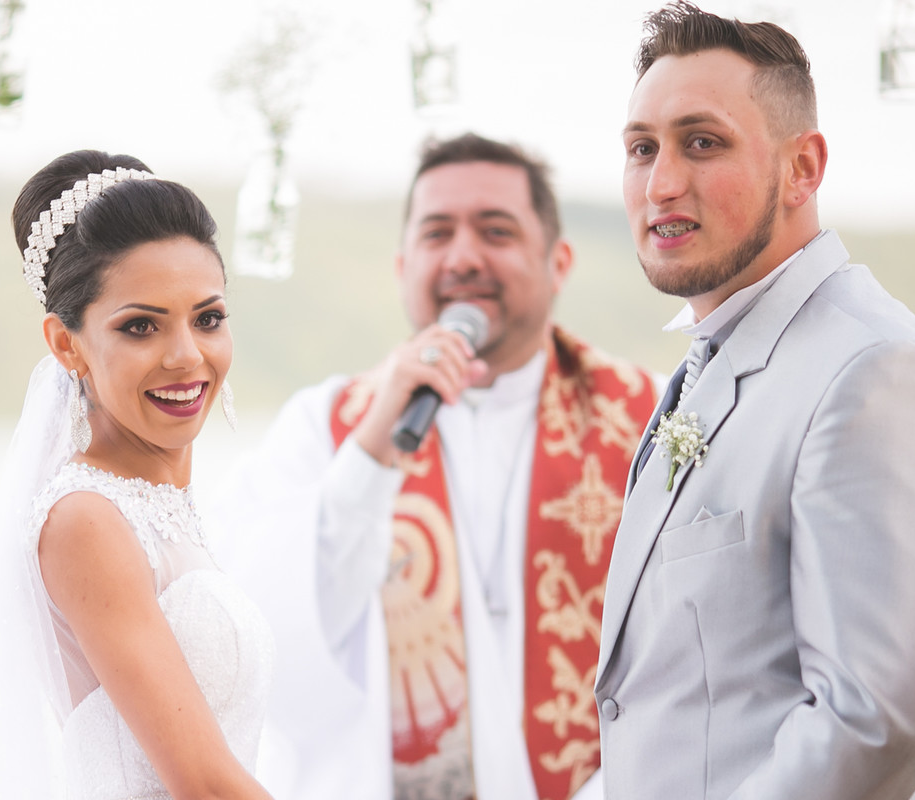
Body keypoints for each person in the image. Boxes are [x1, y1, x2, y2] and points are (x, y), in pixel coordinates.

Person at [595, 4, 915, 799]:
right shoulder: (717, 356)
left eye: (701, 143)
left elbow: (870, 728)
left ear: (803, 168)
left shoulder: (880, 373)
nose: (662, 183)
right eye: (642, 149)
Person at [213, 133, 659, 800]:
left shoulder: (653, 418)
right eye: (437, 233)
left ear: (557, 262)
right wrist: (369, 454)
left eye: (497, 231)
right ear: (402, 266)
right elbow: (268, 646)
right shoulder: (325, 426)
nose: (463, 257)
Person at [0, 150, 276, 799]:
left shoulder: (158, 501)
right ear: (66, 343)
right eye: (140, 326)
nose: (186, 356)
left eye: (208, 318)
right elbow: (203, 782)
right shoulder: (86, 518)